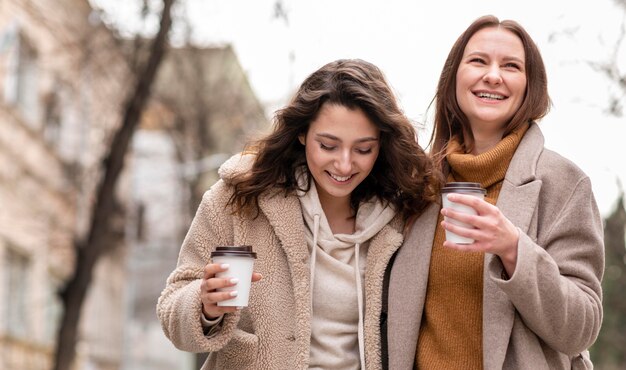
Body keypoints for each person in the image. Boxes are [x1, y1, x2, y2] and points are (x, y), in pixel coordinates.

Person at [157, 59, 439, 369]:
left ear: (381, 145)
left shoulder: (405, 215)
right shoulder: (239, 196)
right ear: (302, 134)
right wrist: (205, 305)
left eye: (363, 149)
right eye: (328, 145)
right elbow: (173, 308)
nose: (344, 165)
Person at [384, 15, 605, 370]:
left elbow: (582, 328)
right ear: (455, 77)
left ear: (530, 85)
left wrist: (514, 248)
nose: (493, 75)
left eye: (511, 66)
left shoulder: (564, 184)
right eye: (478, 61)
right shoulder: (416, 183)